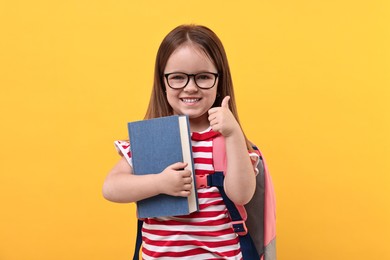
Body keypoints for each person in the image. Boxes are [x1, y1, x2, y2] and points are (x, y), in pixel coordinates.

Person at [103, 24, 261, 259]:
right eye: (178, 77)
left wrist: (234, 134)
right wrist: (159, 183)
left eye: (203, 77)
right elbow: (111, 188)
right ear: (163, 82)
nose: (190, 87)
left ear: (219, 81)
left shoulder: (227, 139)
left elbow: (242, 195)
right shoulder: (151, 139)